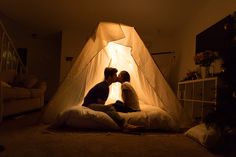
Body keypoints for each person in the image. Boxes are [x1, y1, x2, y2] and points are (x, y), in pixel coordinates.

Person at [82, 67, 142, 131]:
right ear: (110, 77)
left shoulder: (105, 86)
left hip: (91, 103)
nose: (117, 77)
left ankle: (125, 125)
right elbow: (100, 104)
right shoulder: (104, 87)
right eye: (115, 75)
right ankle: (125, 125)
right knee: (110, 108)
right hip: (89, 105)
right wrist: (109, 107)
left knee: (112, 106)